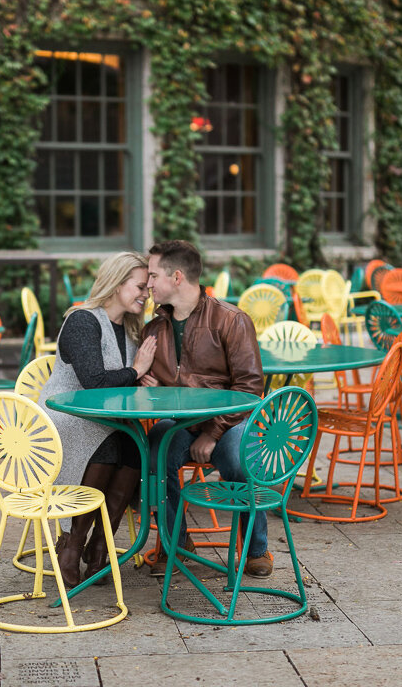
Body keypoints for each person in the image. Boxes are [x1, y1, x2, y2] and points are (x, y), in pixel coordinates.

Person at [140, 241, 268, 578]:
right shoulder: (154, 329)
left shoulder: (231, 320)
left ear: (177, 277)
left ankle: (257, 548)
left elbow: (250, 388)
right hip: (181, 423)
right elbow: (156, 388)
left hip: (229, 424)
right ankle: (176, 544)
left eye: (153, 275)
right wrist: (150, 391)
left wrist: (213, 433)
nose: (148, 283)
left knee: (239, 459)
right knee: (155, 453)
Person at [39, 252, 157, 589]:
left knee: (136, 446)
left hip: (106, 419)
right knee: (110, 443)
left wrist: (142, 379)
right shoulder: (83, 321)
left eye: (148, 288)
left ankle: (101, 544)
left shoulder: (131, 329)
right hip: (65, 416)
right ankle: (72, 545)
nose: (145, 294)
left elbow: (122, 383)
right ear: (117, 284)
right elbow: (94, 383)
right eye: (139, 287)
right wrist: (136, 371)